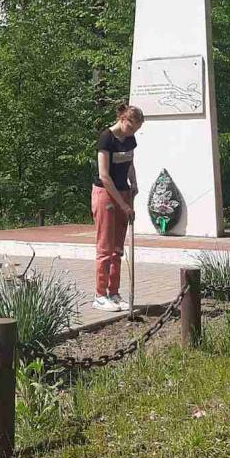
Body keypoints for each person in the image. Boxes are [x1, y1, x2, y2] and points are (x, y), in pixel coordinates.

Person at [92, 102, 145, 312]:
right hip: (105, 194)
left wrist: (134, 183)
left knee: (117, 249)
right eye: (131, 127)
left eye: (136, 129)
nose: (132, 132)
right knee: (105, 248)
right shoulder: (106, 138)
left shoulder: (130, 139)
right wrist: (123, 205)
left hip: (124, 192)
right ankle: (99, 295)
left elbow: (130, 163)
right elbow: (104, 176)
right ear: (122, 119)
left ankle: (113, 293)